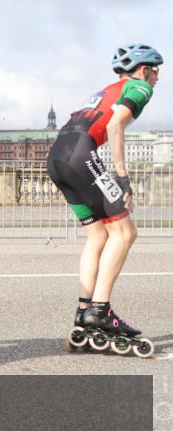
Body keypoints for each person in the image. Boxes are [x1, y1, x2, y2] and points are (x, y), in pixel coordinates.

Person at [47, 43, 162, 354]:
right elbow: (115, 124)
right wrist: (122, 178)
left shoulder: (106, 89)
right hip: (80, 153)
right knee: (125, 232)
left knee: (98, 235)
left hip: (58, 155)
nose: (158, 78)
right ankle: (100, 311)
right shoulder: (139, 87)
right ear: (143, 70)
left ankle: (84, 310)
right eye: (156, 71)